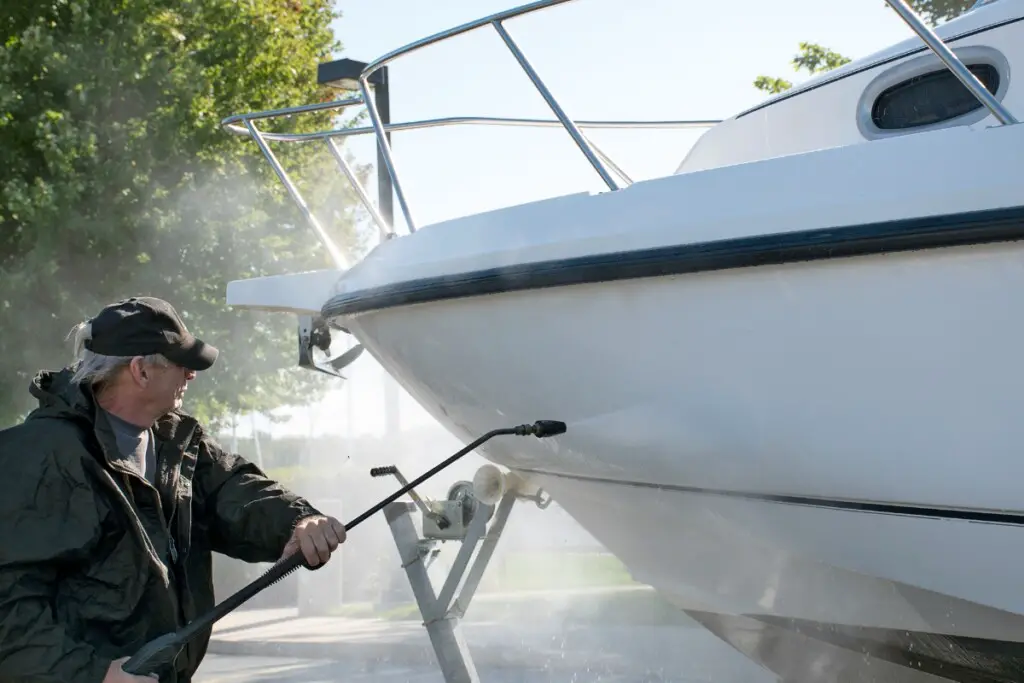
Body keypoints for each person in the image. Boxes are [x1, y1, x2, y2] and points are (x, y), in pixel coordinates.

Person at [0, 296, 347, 683]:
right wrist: (95, 675)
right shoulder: (39, 456)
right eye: (182, 364)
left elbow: (233, 490)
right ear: (141, 371)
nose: (192, 375)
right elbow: (8, 604)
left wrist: (298, 521)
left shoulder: (177, 441)